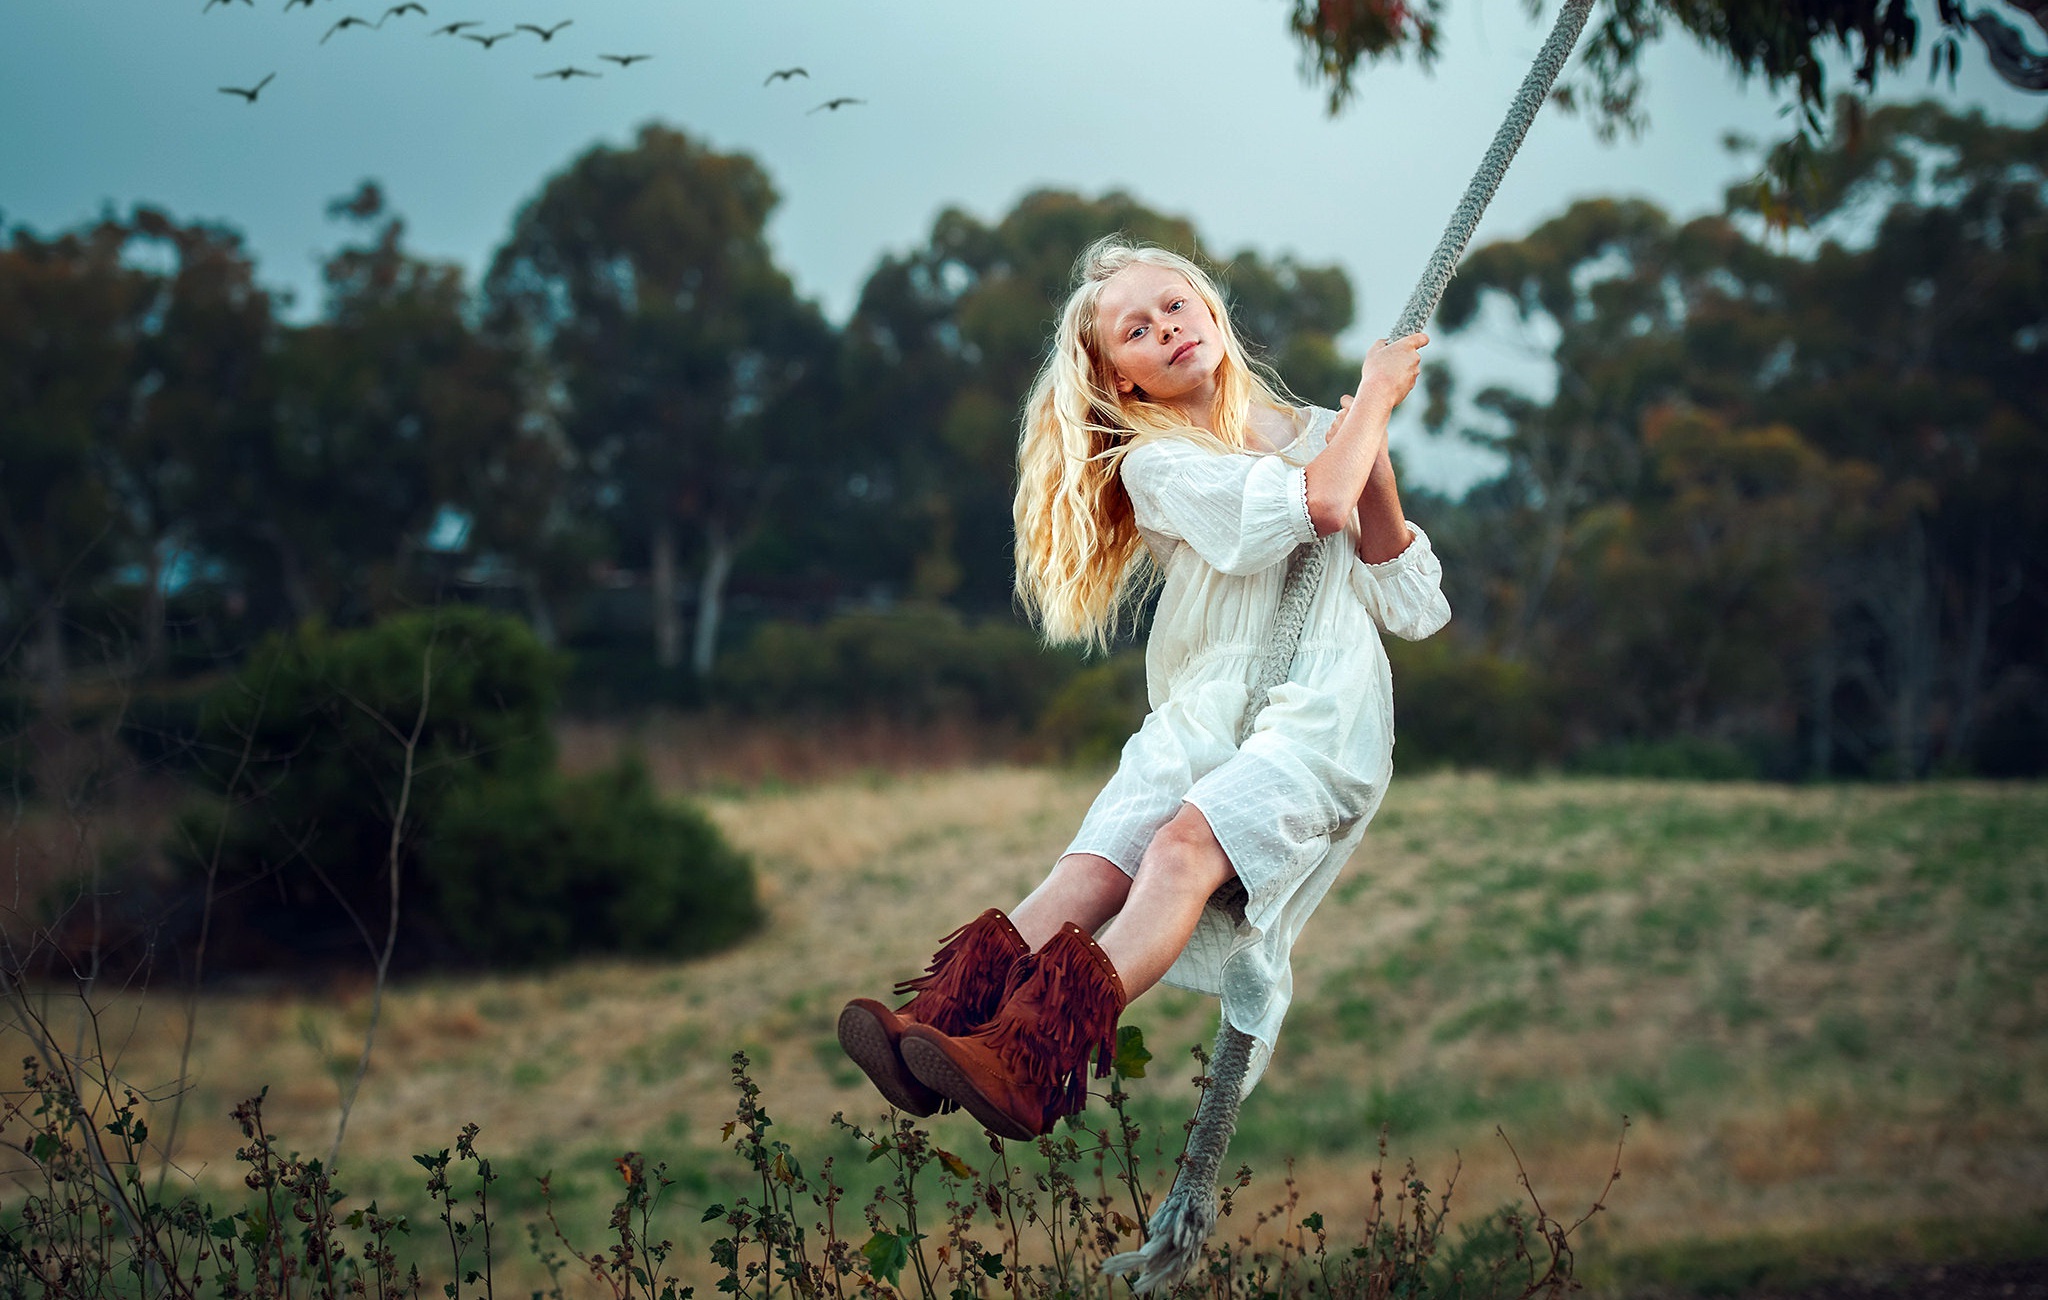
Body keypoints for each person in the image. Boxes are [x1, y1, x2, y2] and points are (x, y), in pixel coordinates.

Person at [838, 236, 1450, 1141]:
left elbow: (1407, 594)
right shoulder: (1155, 464)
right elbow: (1304, 508)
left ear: (1212, 314)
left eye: (1176, 306)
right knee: (1093, 867)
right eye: (1135, 330)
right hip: (1208, 703)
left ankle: (1028, 1062)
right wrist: (1369, 412)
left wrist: (1368, 433)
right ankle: (940, 1034)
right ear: (1121, 380)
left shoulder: (1332, 431)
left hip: (1316, 707)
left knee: (1179, 850)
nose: (1166, 328)